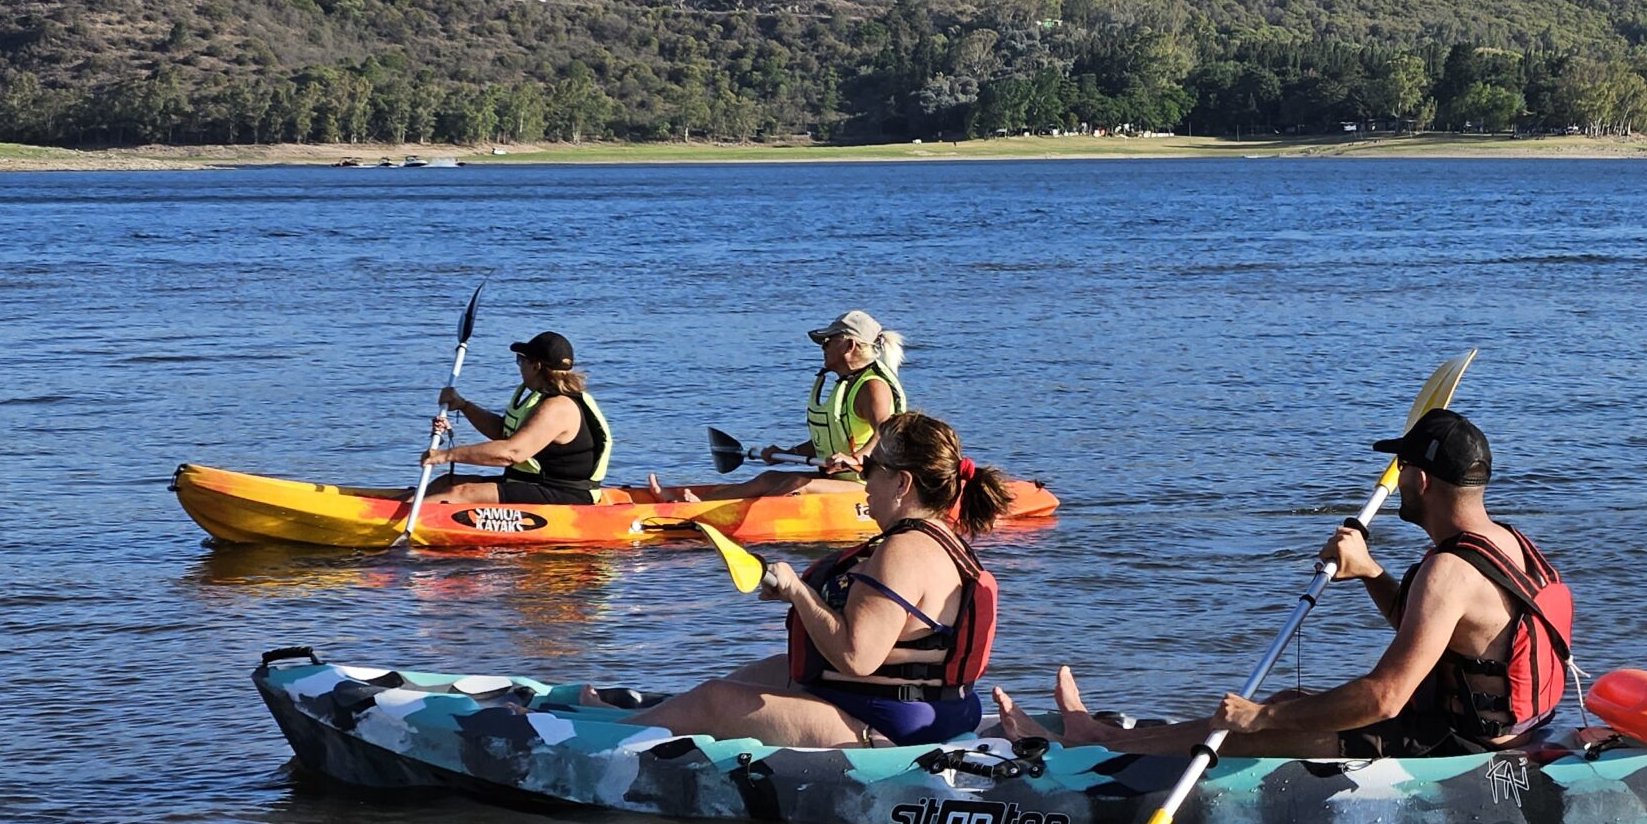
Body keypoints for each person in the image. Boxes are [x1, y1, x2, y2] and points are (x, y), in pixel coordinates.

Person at [995, 409, 1574, 759]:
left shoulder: (1450, 570)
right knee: (1292, 702)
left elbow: (1385, 697)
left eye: (1403, 476)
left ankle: (1090, 744)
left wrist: (1259, 722)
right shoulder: (1511, 544)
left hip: (1456, 747)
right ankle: (1101, 734)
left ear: (1420, 479)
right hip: (1499, 730)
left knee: (1249, 731)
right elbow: (1449, 638)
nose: (1397, 488)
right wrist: (1371, 571)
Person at [611, 413, 1010, 746]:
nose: (864, 482)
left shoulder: (903, 551)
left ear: (902, 483)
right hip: (931, 708)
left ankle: (591, 743)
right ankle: (640, 715)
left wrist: (798, 592)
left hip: (891, 724)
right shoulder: (942, 540)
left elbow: (857, 657)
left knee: (713, 701)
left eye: (871, 469)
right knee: (774, 670)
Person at [662, 310, 906, 501]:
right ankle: (696, 506)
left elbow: (888, 430)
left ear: (849, 346)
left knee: (798, 486)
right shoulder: (846, 384)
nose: (823, 348)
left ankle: (714, 517)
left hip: (869, 486)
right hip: (839, 480)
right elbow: (829, 442)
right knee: (767, 479)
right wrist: (789, 454)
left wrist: (858, 457)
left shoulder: (872, 386)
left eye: (827, 342)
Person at [424, 331, 613, 504]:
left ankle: (406, 523)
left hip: (565, 494)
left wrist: (445, 455)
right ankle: (401, 511)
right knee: (445, 483)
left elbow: (511, 453)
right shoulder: (540, 397)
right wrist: (464, 406)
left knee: (459, 493)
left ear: (536, 366)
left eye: (521, 360)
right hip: (532, 483)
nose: (520, 366)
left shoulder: (558, 407)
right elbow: (503, 432)